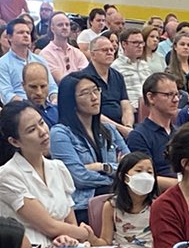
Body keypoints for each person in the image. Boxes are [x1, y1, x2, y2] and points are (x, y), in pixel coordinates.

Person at [0, 101, 138, 248]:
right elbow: (49, 226)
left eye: (42, 123)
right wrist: (84, 233)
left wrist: (71, 237)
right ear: (15, 141)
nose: (43, 132)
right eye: (32, 130)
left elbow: (69, 219)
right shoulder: (7, 174)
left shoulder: (57, 168)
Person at [48, 71, 129, 202]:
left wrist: (101, 167)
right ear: (70, 100)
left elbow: (131, 166)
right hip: (84, 204)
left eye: (96, 90)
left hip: (117, 197)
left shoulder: (109, 129)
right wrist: (115, 173)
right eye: (85, 93)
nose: (94, 97)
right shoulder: (60, 134)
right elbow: (79, 178)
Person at [125, 70, 182, 172]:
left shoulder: (180, 133)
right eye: (168, 95)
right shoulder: (139, 136)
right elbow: (144, 176)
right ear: (151, 97)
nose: (176, 99)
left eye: (177, 94)